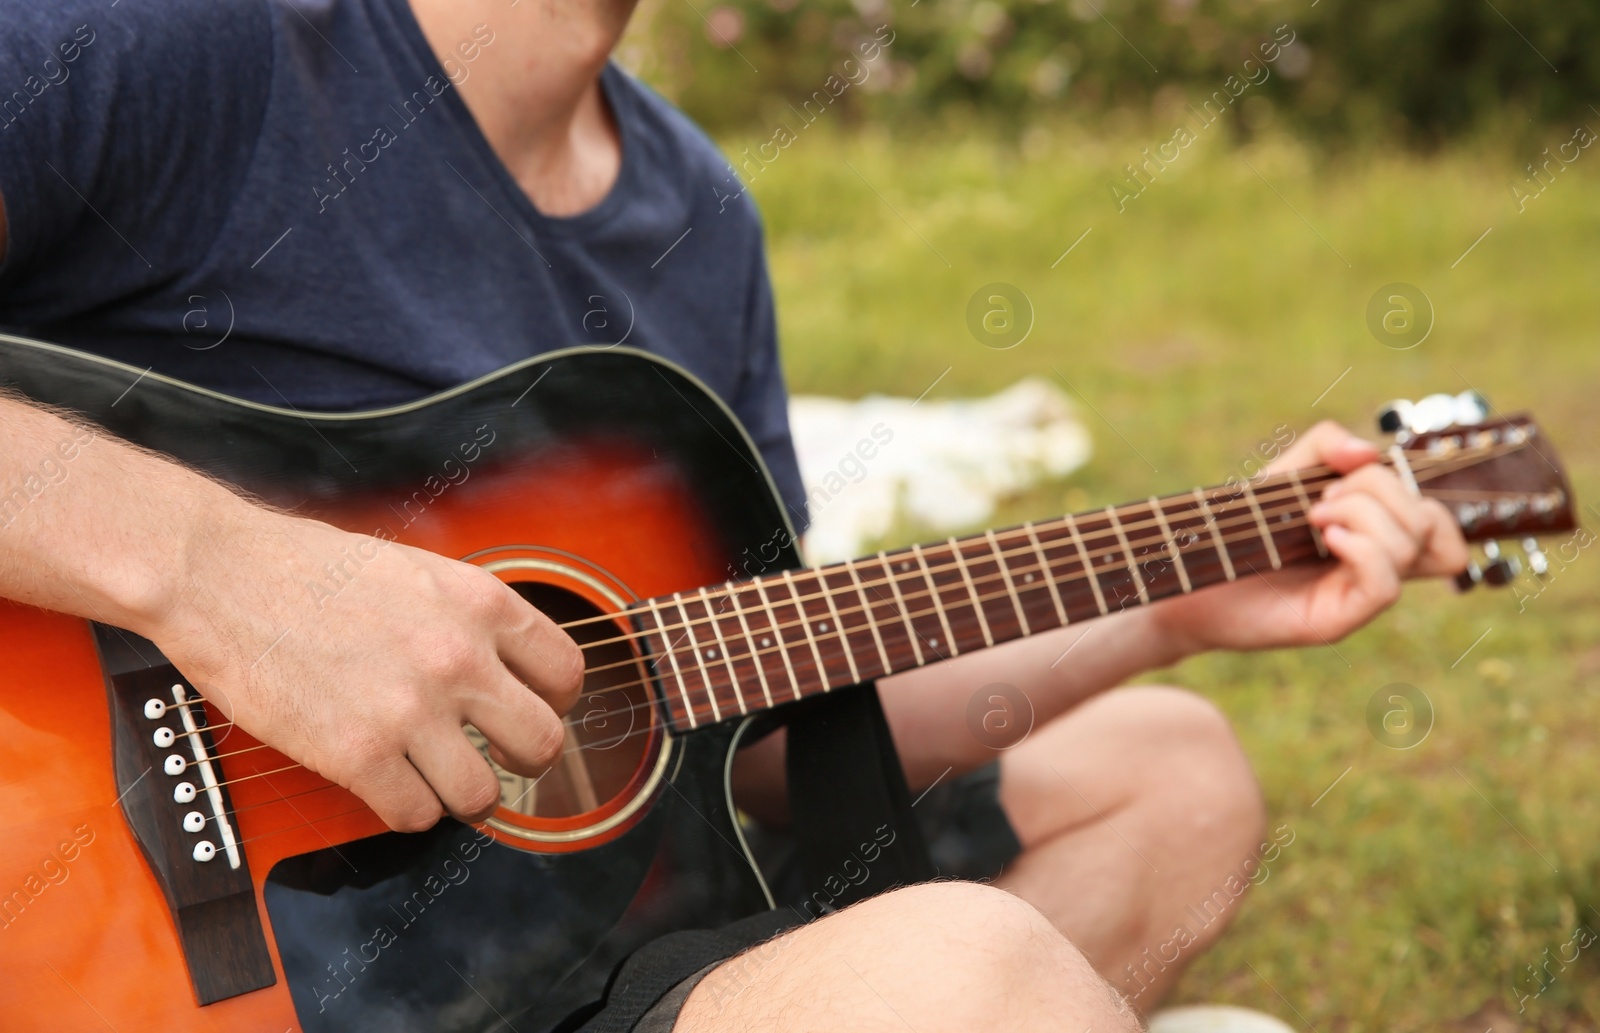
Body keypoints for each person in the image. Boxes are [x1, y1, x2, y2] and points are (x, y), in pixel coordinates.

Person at [0, 1, 1468, 1029]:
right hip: (151, 946)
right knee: (971, 975)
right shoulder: (187, 45)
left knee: (1177, 775)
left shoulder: (700, 212)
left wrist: (1167, 599)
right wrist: (221, 571)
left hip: (566, 961)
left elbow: (753, 718)